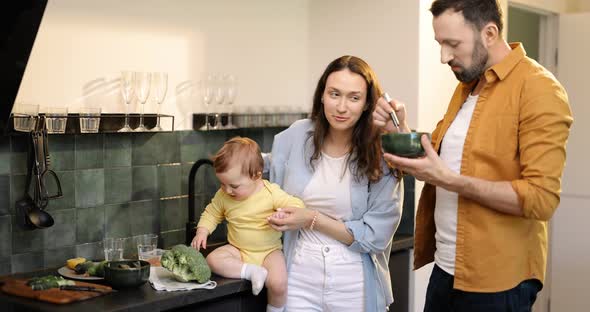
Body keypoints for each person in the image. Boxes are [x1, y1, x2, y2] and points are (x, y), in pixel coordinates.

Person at [373, 1, 573, 311]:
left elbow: (541, 198)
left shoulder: (539, 89)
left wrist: (450, 181)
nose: (444, 57)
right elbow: (440, 157)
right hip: (445, 270)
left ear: (490, 33)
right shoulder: (468, 87)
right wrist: (398, 130)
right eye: (440, 44)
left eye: (452, 44)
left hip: (498, 284)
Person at [266, 55, 403, 312]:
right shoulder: (297, 135)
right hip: (299, 276)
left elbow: (375, 237)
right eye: (334, 94)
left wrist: (311, 219)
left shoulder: (381, 153)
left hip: (353, 281)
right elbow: (268, 169)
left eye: (354, 97)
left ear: (366, 104)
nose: (341, 107)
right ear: (321, 95)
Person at [191, 136, 305, 312]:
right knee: (213, 259)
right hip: (238, 250)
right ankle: (251, 271)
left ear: (257, 176)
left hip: (269, 252)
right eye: (222, 184)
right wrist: (202, 231)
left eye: (234, 186)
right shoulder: (224, 196)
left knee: (279, 283)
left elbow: (297, 205)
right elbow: (212, 212)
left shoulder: (270, 192)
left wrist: (283, 213)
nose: (227, 190)